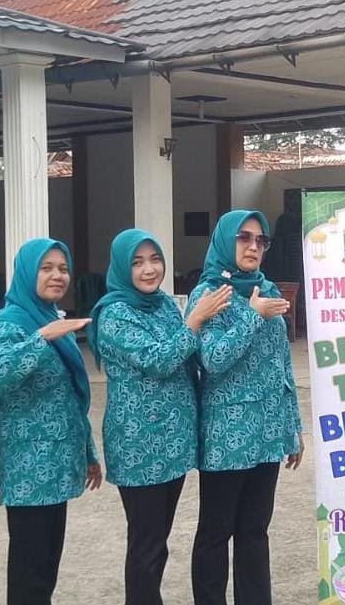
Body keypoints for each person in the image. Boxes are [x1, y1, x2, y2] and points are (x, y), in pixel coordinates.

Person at [89, 229, 229, 605]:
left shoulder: (165, 304)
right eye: (137, 262)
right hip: (139, 447)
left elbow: (190, 357)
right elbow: (160, 360)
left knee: (158, 542)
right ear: (122, 268)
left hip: (173, 443)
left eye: (154, 260)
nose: (149, 269)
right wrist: (195, 319)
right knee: (146, 545)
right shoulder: (114, 314)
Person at [186, 210, 302, 605]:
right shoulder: (208, 295)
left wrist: (292, 424)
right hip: (227, 436)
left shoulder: (266, 288)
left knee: (255, 530)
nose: (253, 246)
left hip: (268, 433)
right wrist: (252, 316)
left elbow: (282, 364)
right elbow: (213, 359)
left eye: (260, 240)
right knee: (216, 532)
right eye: (244, 238)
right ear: (225, 241)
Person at [0, 238, 102, 605]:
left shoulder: (50, 318)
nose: (57, 276)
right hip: (27, 470)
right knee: (29, 573)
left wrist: (88, 453)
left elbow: (68, 397)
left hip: (58, 465)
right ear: (26, 273)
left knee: (46, 570)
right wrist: (40, 339)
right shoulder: (10, 323)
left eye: (63, 269)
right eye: (46, 268)